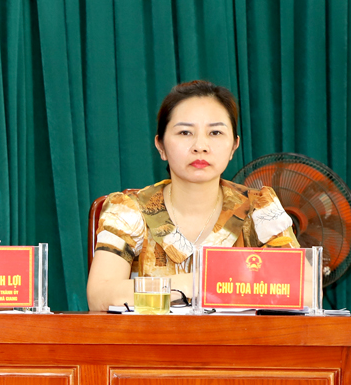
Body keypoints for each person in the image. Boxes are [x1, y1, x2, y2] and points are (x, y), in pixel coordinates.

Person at [86, 80, 299, 312]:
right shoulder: (130, 210)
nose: (200, 146)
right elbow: (100, 296)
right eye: (185, 132)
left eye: (215, 132)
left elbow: (303, 289)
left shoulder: (259, 207)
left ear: (234, 147)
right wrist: (201, 283)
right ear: (161, 146)